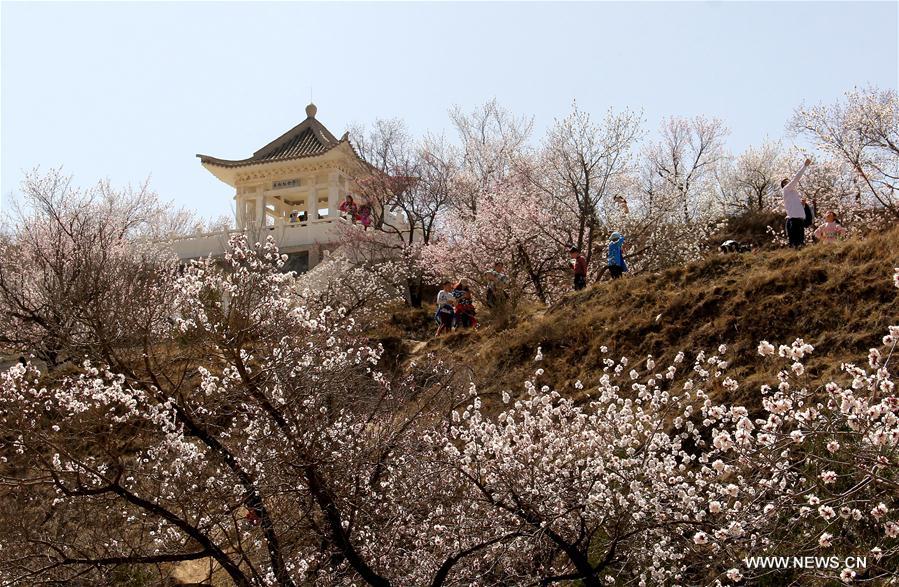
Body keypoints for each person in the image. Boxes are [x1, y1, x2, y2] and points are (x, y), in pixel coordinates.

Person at [782, 158, 812, 248]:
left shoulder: (793, 194)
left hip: (800, 221)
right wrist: (805, 166)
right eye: (787, 182)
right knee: (795, 243)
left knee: (800, 244)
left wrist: (802, 205)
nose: (789, 182)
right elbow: (796, 178)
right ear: (784, 185)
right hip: (794, 221)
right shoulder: (786, 189)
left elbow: (794, 207)